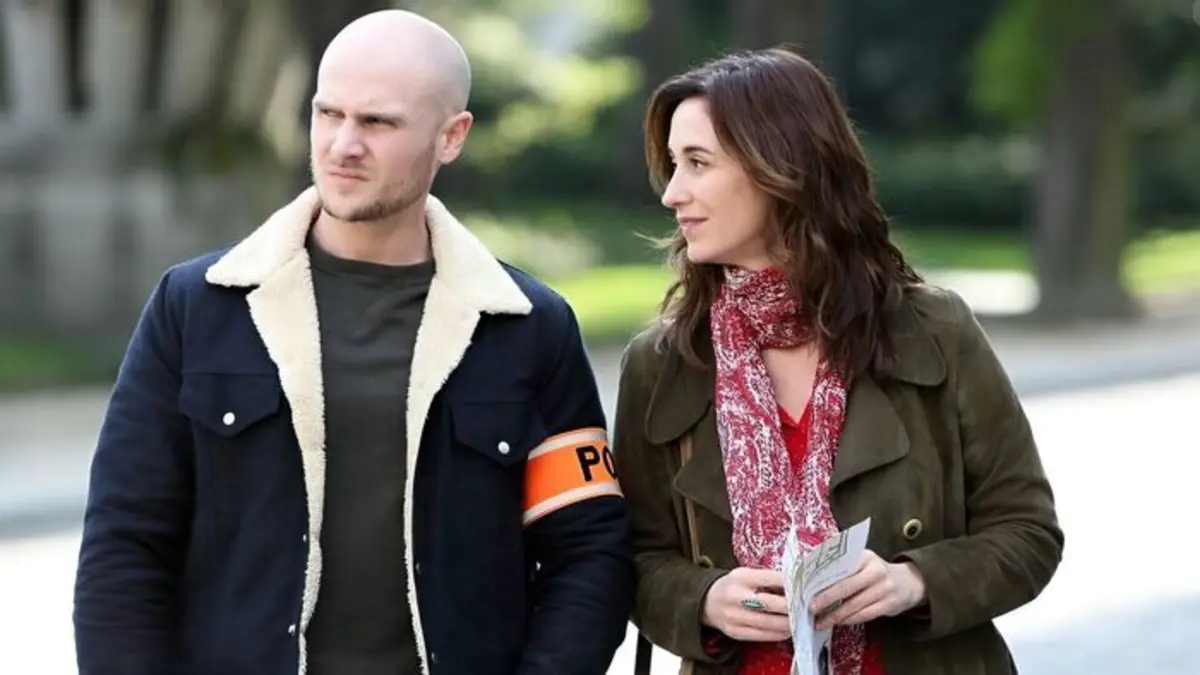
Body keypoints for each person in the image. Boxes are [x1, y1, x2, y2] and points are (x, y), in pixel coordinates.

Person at [72, 10, 633, 675]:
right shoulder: (196, 307)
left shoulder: (529, 326)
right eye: (328, 113)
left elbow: (587, 551)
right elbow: (125, 544)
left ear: (452, 136)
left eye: (378, 122)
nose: (343, 144)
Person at [614, 47, 1063, 675]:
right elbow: (630, 558)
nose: (672, 193)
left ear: (780, 168)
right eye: (672, 165)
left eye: (697, 163)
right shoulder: (661, 362)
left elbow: (1028, 532)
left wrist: (914, 582)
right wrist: (704, 599)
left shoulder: (933, 330)